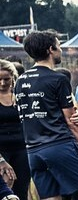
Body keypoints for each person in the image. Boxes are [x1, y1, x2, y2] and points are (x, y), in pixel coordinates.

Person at [15, 29, 78, 200]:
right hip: (60, 146)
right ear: (50, 50)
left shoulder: (20, 80)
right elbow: (72, 122)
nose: (61, 50)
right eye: (59, 46)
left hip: (33, 153)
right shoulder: (58, 79)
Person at [0, 60, 30, 200]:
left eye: (6, 79)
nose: (2, 83)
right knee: (5, 188)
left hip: (22, 148)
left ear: (13, 77)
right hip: (2, 150)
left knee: (22, 187)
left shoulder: (20, 96)